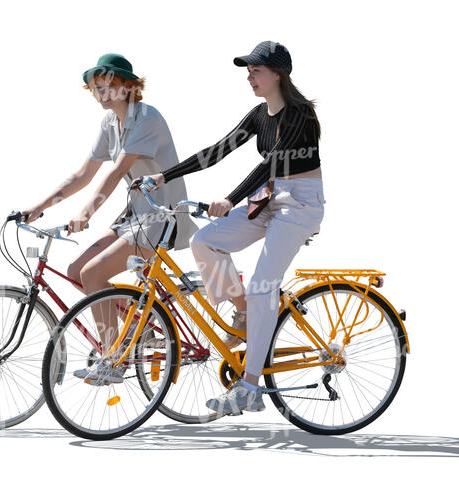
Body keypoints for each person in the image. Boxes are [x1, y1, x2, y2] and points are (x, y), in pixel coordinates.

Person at [137, 41, 325, 415]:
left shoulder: (300, 115)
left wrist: (230, 198)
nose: (249, 76)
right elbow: (217, 150)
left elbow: (270, 165)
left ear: (278, 74)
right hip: (269, 196)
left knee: (262, 288)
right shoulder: (260, 114)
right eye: (248, 71)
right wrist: (163, 175)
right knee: (205, 241)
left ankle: (250, 388)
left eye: (256, 70)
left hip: (300, 203)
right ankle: (242, 311)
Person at [21, 53, 198, 383]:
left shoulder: (147, 118)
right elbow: (84, 174)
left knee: (94, 273)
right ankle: (137, 326)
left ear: (128, 87)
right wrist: (38, 207)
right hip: (135, 215)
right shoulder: (109, 124)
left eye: (109, 86)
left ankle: (112, 358)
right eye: (96, 88)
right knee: (78, 272)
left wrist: (85, 214)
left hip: (162, 216)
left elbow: (116, 173)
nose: (101, 93)